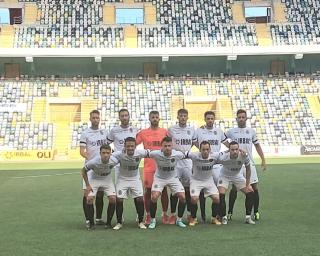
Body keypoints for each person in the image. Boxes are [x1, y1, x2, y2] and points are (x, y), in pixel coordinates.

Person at [226, 109, 266, 221]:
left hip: (249, 163)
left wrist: (263, 159)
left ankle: (256, 212)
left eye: (243, 117)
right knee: (234, 188)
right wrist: (230, 148)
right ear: (236, 119)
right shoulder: (232, 131)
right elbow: (221, 138)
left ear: (246, 118)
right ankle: (230, 212)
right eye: (239, 117)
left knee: (254, 187)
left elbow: (257, 145)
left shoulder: (251, 131)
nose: (241, 119)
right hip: (236, 164)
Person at [194, 111, 229, 223]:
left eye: (212, 118)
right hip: (203, 164)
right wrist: (202, 151)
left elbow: (227, 143)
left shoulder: (219, 131)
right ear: (205, 119)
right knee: (201, 191)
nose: (210, 120)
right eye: (208, 118)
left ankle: (218, 214)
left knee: (219, 191)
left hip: (216, 165)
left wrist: (235, 150)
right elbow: (193, 142)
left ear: (214, 119)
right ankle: (202, 215)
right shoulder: (199, 131)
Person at [136, 110, 169, 224]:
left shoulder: (165, 132)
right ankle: (148, 215)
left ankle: (165, 214)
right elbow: (132, 144)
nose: (155, 119)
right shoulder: (143, 132)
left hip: (162, 166)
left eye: (156, 117)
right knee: (148, 191)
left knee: (164, 190)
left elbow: (170, 146)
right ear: (149, 119)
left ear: (159, 119)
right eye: (153, 117)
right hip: (149, 166)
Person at [148, 136, 187, 229]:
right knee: (154, 197)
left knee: (182, 197)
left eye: (169, 146)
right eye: (165, 146)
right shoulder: (155, 154)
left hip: (173, 178)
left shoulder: (177, 154)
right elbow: (144, 153)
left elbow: (189, 155)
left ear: (172, 146)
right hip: (159, 178)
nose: (167, 148)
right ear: (162, 146)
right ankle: (152, 220)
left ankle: (179, 220)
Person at [110, 137, 148, 230]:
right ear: (124, 146)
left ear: (135, 146)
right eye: (128, 146)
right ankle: (119, 222)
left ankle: (140, 222)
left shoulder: (140, 153)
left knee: (139, 198)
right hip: (122, 179)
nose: (130, 148)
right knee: (119, 199)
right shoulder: (119, 154)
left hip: (135, 179)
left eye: (132, 146)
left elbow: (153, 153)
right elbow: (108, 157)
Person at [80, 110, 108, 228]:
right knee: (88, 193)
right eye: (93, 118)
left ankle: (98, 218)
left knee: (100, 193)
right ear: (90, 119)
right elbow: (82, 151)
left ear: (99, 119)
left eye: (97, 117)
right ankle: (88, 219)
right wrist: (91, 160)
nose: (95, 119)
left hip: (103, 168)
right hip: (91, 168)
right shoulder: (85, 133)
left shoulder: (105, 132)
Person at [217, 141, 255, 225]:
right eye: (232, 150)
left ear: (239, 149)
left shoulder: (244, 156)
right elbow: (213, 160)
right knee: (221, 194)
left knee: (250, 192)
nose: (235, 151)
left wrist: (248, 184)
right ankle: (224, 217)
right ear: (229, 150)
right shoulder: (223, 157)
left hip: (237, 176)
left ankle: (248, 217)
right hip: (224, 176)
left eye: (236, 149)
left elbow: (248, 169)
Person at [168, 108, 195, 224]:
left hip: (188, 163)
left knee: (188, 189)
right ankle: (173, 215)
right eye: (181, 116)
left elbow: (194, 142)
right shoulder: (171, 130)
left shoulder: (191, 130)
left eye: (185, 116)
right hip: (176, 163)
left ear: (187, 117)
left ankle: (189, 214)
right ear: (177, 117)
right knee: (174, 190)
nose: (183, 118)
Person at [81, 144, 116, 230]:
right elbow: (83, 171)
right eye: (103, 153)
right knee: (89, 199)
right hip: (94, 179)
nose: (105, 155)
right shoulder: (94, 162)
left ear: (111, 153)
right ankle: (91, 224)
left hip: (107, 179)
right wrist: (88, 185)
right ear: (100, 153)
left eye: (108, 153)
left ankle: (108, 223)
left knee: (113, 199)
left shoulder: (114, 160)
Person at [186, 141, 221, 226]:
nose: (205, 151)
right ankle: (193, 218)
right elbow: (183, 154)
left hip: (208, 180)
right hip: (196, 180)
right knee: (194, 199)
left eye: (207, 149)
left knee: (217, 198)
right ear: (200, 150)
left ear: (210, 149)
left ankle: (214, 218)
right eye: (203, 149)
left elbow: (227, 155)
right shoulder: (194, 155)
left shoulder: (215, 156)